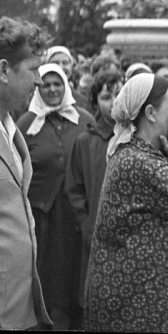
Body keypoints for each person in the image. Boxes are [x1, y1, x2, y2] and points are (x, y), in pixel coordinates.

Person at [84, 73, 168, 332]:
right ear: (152, 113)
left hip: (145, 298)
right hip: (144, 306)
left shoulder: (140, 153)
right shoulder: (140, 162)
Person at [16, 63, 95, 329]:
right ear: (38, 88)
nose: (52, 89)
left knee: (75, 273)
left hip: (76, 214)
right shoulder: (26, 123)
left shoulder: (84, 119)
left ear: (66, 85)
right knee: (48, 277)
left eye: (57, 83)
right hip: (43, 215)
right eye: (46, 84)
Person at [0, 16, 52, 330]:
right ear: (4, 70)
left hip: (17, 307)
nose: (39, 81)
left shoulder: (10, 128)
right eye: (32, 70)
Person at [65, 70, 123, 311]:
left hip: (132, 235)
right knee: (97, 300)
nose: (114, 103)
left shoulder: (140, 137)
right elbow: (75, 188)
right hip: (96, 234)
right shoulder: (86, 141)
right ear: (96, 102)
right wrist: (86, 223)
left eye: (119, 95)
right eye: (107, 97)